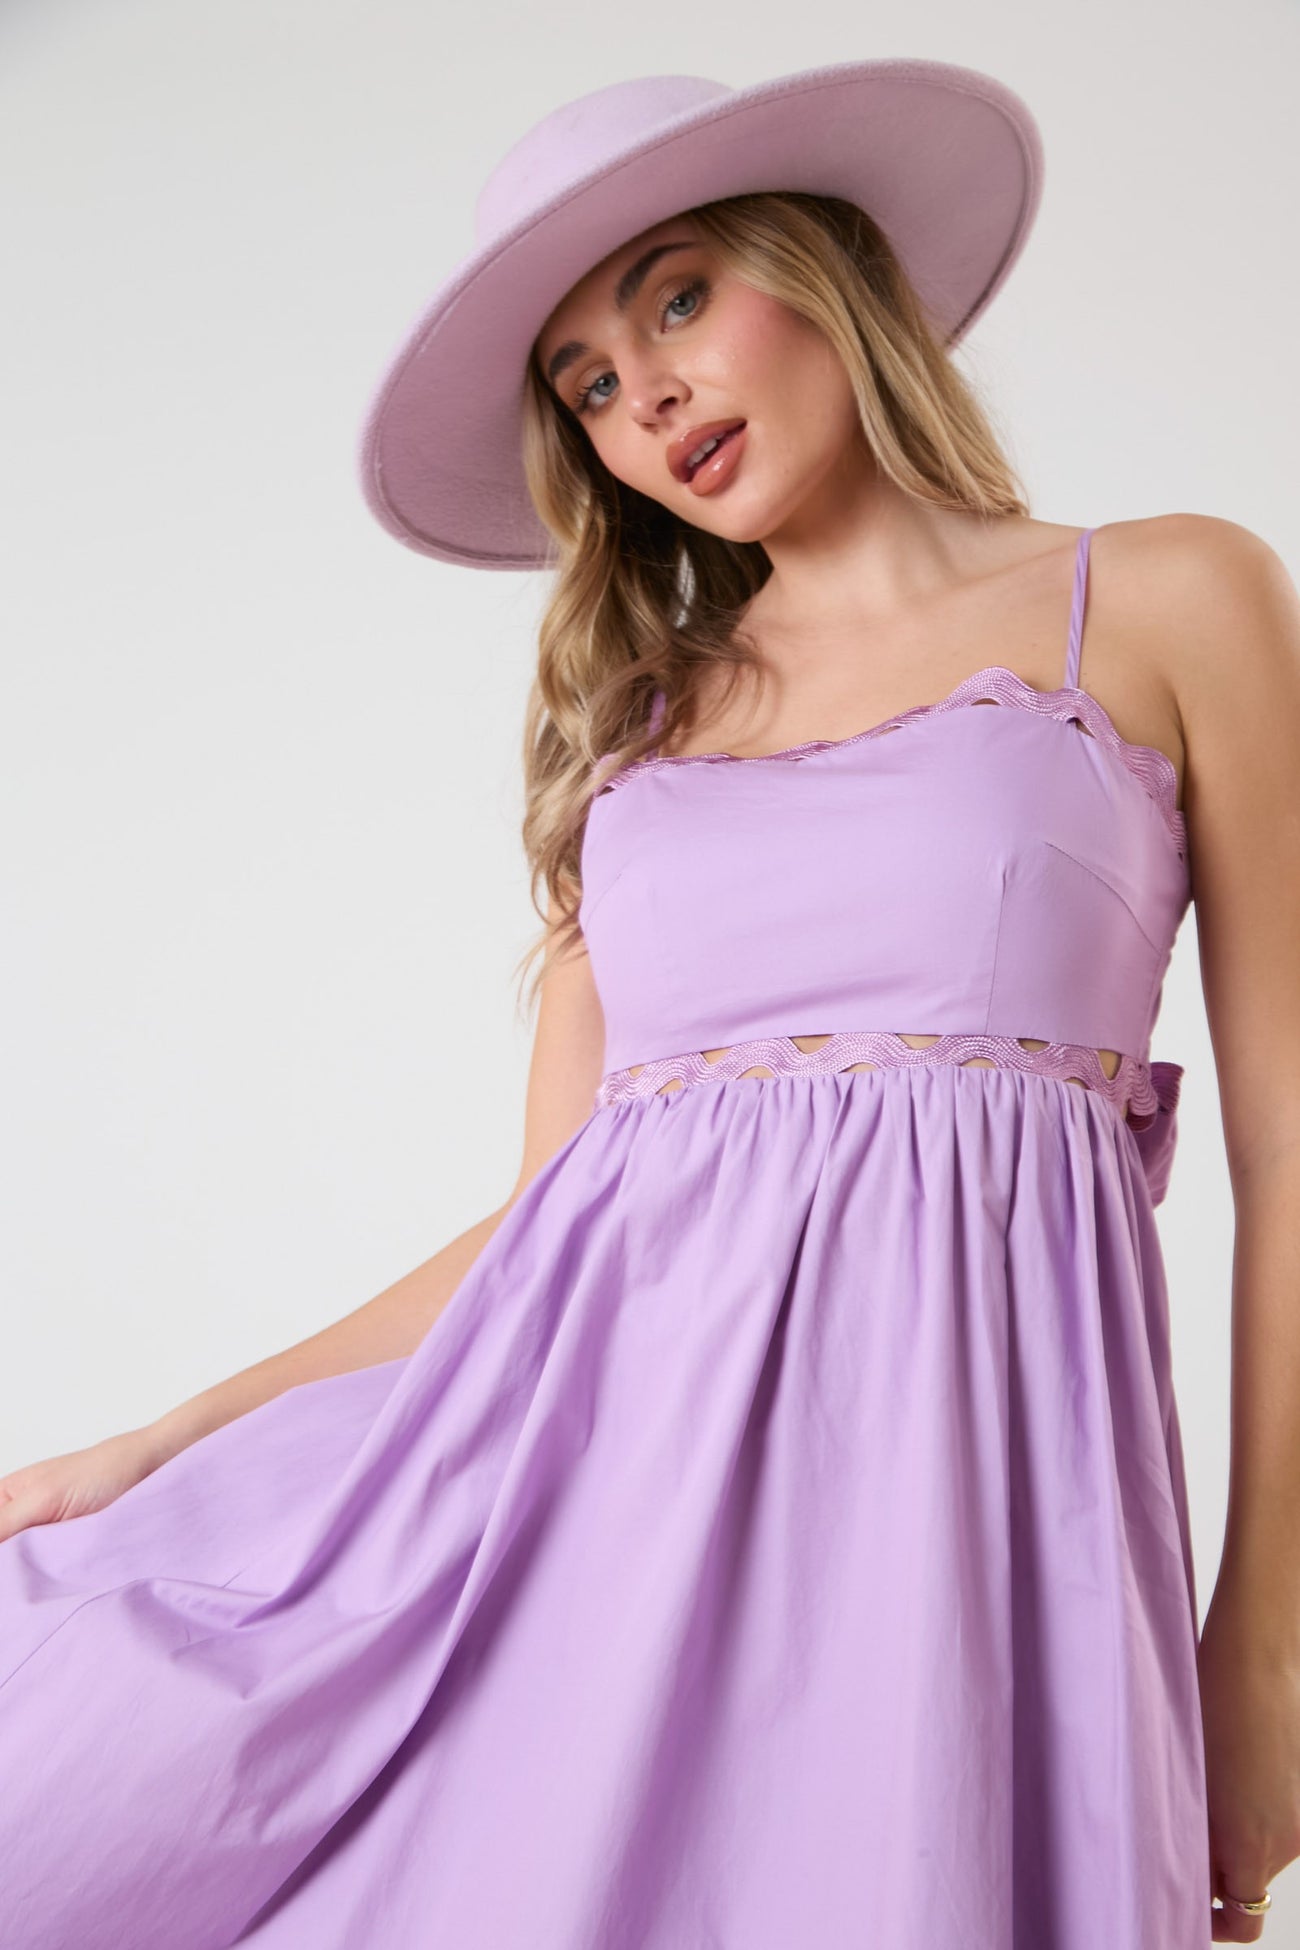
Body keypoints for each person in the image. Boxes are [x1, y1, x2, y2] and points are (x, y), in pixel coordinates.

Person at [1, 53, 1297, 1950]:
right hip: (589, 1551)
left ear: (831, 264)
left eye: (676, 297)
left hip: (970, 1565)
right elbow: (550, 1226)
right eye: (588, 383)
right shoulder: (642, 750)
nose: (648, 393)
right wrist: (160, 1443)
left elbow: (1289, 1143)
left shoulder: (1171, 599)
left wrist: (1264, 1648)